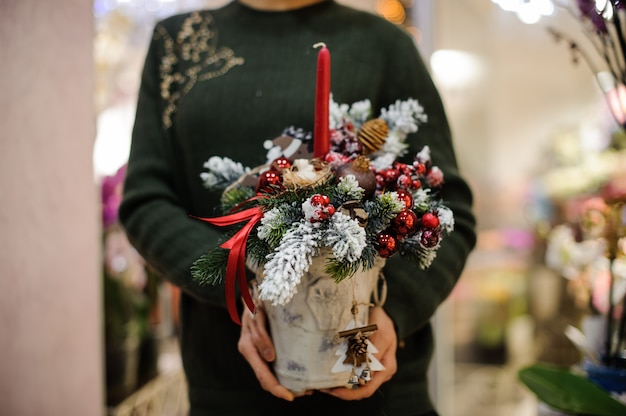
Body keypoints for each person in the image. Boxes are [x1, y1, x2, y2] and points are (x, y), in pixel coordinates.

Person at [119, 0, 477, 415]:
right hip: (229, 390)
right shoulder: (179, 44)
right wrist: (243, 286)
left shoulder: (384, 44)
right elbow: (146, 201)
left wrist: (393, 308)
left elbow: (447, 208)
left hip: (378, 393)